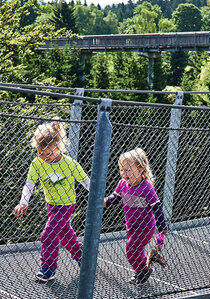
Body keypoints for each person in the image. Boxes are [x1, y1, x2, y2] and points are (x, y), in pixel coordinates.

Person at [14, 118, 90, 282]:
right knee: (65, 235)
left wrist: (99, 196)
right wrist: (23, 202)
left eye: (48, 153)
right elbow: (29, 184)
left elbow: (85, 181)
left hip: (66, 205)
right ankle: (83, 257)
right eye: (40, 153)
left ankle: (48, 268)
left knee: (48, 235)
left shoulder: (70, 164)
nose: (44, 157)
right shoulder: (37, 163)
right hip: (51, 205)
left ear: (59, 147)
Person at [104, 148, 168, 285]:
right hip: (131, 225)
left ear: (140, 170)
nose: (124, 173)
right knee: (135, 251)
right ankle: (141, 269)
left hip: (145, 227)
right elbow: (115, 198)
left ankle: (143, 271)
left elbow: (156, 207)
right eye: (122, 169)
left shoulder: (146, 187)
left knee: (131, 248)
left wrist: (162, 226)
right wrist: (105, 202)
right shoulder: (122, 184)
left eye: (128, 170)